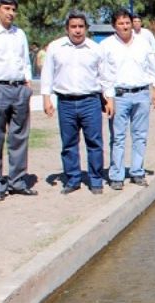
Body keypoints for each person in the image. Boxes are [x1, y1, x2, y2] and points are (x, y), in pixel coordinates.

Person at [41, 11, 113, 195]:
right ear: (67, 29)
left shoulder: (96, 49)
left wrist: (109, 98)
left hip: (90, 101)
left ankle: (96, 179)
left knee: (94, 142)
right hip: (65, 102)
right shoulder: (56, 48)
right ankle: (73, 178)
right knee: (68, 143)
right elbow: (47, 73)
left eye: (81, 27)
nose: (77, 31)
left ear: (86, 29)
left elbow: (105, 76)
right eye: (73, 27)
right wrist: (46, 98)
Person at [0, 0, 37, 200]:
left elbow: (24, 60)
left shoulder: (19, 33)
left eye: (13, 9)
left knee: (19, 136)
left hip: (18, 87)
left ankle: (18, 181)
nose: (11, 13)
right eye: (6, 9)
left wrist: (27, 83)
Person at [101, 9, 155, 190]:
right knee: (118, 137)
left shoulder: (143, 43)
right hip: (119, 96)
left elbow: (152, 68)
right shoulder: (106, 45)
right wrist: (108, 98)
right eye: (121, 23)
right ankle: (117, 175)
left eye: (127, 22)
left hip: (142, 94)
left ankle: (137, 171)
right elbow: (105, 75)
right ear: (114, 26)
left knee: (140, 136)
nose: (125, 26)